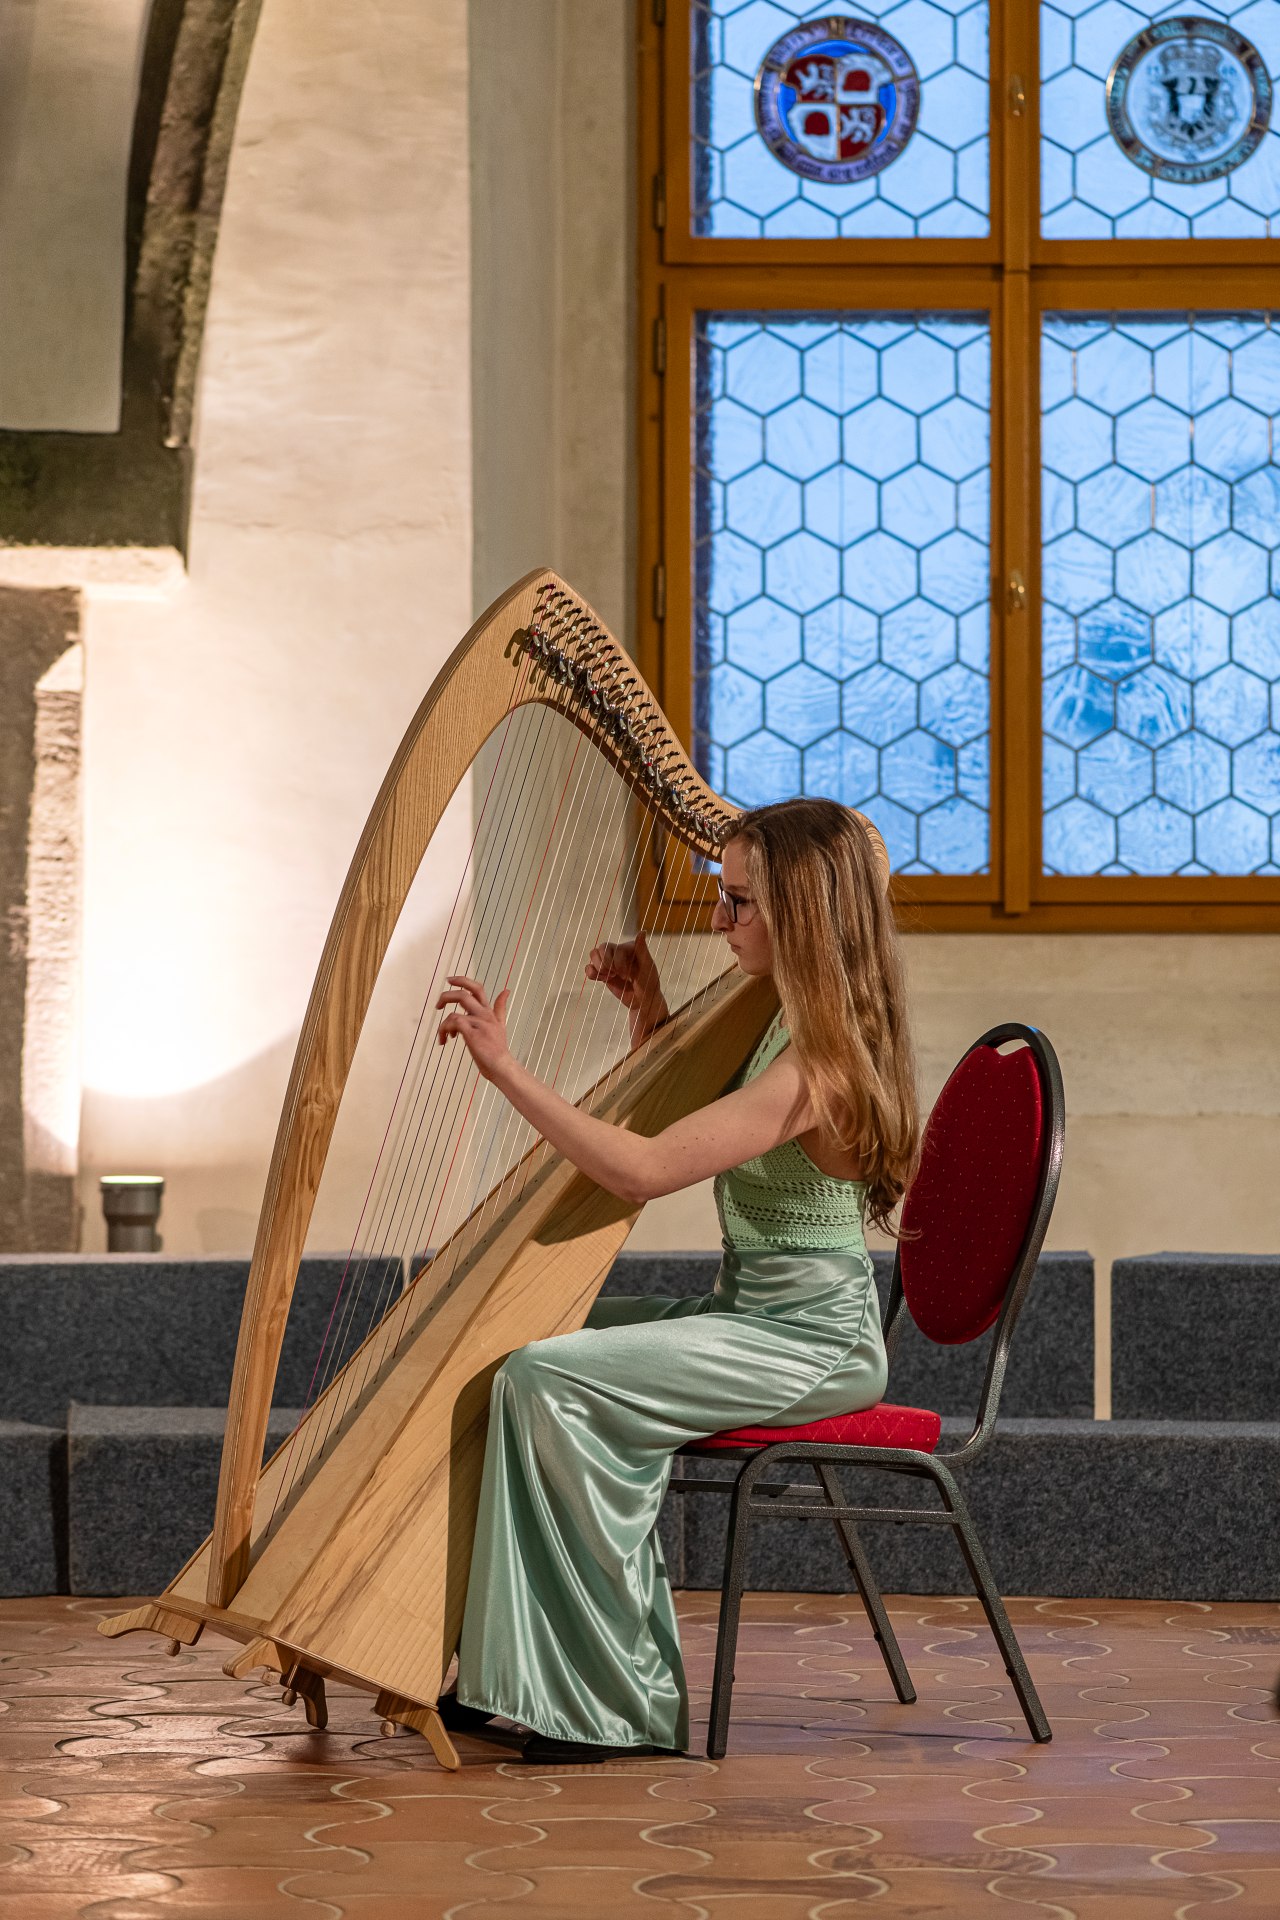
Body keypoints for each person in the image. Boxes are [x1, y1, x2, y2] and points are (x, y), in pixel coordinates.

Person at [433, 797, 919, 1763]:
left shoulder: (819, 1061)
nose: (718, 922)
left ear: (805, 913)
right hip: (753, 1317)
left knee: (551, 1376)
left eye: (739, 904)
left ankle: (610, 1703)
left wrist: (506, 1069)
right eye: (722, 898)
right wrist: (649, 1011)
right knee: (516, 1331)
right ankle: (516, 1668)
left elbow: (644, 1169)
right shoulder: (781, 1021)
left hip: (811, 1343)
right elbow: (685, 1117)